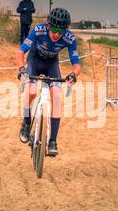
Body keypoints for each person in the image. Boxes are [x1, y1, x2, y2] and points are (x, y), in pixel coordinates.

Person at [17, 8, 81, 156]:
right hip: (34, 61)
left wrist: (73, 74)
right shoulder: (38, 30)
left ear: (66, 30)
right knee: (31, 91)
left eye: (61, 31)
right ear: (47, 25)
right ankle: (26, 123)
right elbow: (20, 52)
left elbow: (76, 65)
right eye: (54, 29)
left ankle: (52, 141)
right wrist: (21, 69)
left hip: (52, 64)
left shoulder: (70, 39)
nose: (57, 34)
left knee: (57, 97)